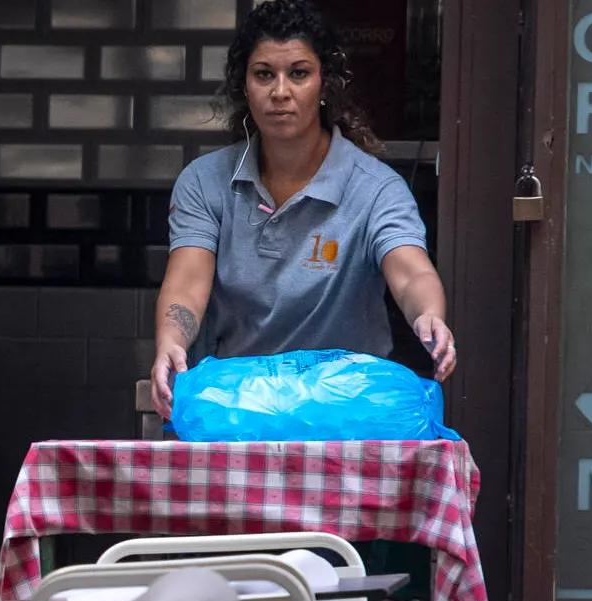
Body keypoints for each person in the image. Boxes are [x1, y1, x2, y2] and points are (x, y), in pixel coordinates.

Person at [150, 0, 456, 421]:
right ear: (243, 85)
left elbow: (411, 270)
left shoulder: (376, 187)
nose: (280, 92)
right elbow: (187, 283)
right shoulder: (205, 182)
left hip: (346, 410)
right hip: (239, 407)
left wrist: (429, 317)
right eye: (263, 75)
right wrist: (171, 343)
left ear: (325, 83)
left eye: (298, 73)